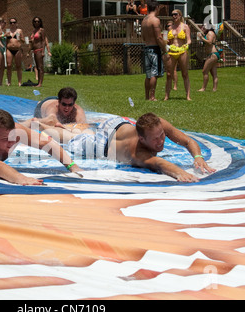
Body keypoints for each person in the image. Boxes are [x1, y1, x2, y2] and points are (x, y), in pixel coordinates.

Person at [39, 112, 216, 183]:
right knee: (71, 139)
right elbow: (160, 164)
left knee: (83, 132)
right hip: (103, 146)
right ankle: (45, 126)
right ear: (141, 138)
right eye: (155, 139)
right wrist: (181, 173)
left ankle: (70, 126)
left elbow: (187, 141)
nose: (162, 141)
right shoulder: (138, 153)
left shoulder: (158, 125)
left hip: (117, 124)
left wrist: (198, 157)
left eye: (162, 135)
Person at [141, 1, 167, 101]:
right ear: (156, 8)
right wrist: (165, 49)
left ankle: (147, 96)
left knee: (148, 74)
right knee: (154, 74)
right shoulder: (155, 20)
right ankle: (152, 96)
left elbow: (143, 37)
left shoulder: (144, 20)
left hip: (146, 47)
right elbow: (159, 38)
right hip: (154, 49)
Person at [165, 9, 192, 101]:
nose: (174, 16)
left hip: (182, 51)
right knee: (169, 74)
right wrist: (165, 41)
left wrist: (187, 44)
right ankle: (167, 96)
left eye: (175, 14)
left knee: (185, 73)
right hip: (172, 51)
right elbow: (168, 41)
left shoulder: (185, 27)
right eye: (172, 15)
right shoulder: (170, 28)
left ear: (180, 15)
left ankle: (188, 96)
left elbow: (189, 39)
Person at [30, 17, 51, 87]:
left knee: (40, 67)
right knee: (37, 67)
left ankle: (40, 83)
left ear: (40, 22)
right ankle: (38, 82)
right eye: (35, 21)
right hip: (34, 50)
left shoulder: (41, 30)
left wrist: (43, 51)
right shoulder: (33, 31)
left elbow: (43, 41)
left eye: (38, 21)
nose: (36, 23)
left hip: (39, 50)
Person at [198, 25, 219, 92]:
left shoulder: (210, 33)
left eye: (204, 27)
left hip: (212, 54)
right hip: (213, 54)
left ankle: (203, 88)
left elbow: (209, 42)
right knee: (214, 73)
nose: (202, 28)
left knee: (204, 71)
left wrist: (201, 38)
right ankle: (214, 89)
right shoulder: (208, 33)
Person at [6, 18, 24, 86]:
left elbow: (23, 41)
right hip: (9, 49)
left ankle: (19, 82)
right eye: (11, 22)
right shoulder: (8, 31)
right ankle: (9, 82)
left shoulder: (19, 31)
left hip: (18, 49)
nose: (12, 24)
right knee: (9, 65)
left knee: (18, 66)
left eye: (14, 22)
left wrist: (19, 38)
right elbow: (6, 41)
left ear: (16, 23)